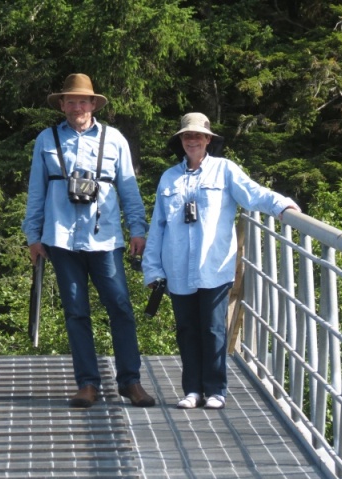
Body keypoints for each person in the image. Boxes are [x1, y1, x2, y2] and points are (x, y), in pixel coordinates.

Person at [142, 113, 300, 410]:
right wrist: (152, 267)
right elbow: (158, 225)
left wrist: (281, 205)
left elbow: (253, 195)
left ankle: (215, 390)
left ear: (208, 140)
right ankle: (192, 390)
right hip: (177, 267)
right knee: (187, 329)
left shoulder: (225, 170)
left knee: (214, 328)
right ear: (181, 141)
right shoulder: (169, 178)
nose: (192, 141)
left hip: (213, 265)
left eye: (198, 136)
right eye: (187, 136)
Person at [22, 73, 155, 409]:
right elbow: (36, 192)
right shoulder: (46, 140)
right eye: (70, 101)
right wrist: (33, 236)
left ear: (93, 104)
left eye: (83, 100)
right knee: (76, 312)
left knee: (121, 309)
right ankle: (87, 383)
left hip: (106, 239)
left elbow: (128, 189)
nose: (76, 106)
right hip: (61, 240)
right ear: (62, 105)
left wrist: (137, 229)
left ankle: (130, 381)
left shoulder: (115, 140)